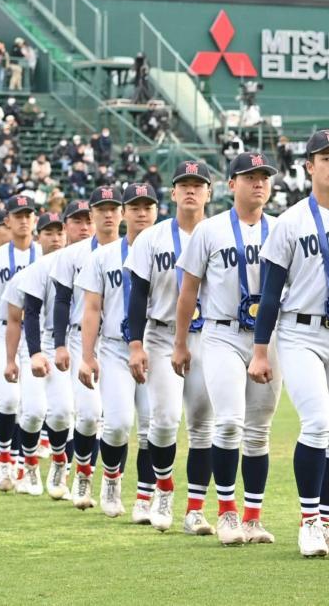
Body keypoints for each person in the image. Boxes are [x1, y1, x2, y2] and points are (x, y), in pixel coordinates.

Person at [249, 131, 329, 557]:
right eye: (326, 157)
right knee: (318, 422)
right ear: (309, 166)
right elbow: (269, 293)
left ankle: (325, 522)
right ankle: (307, 524)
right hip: (299, 331)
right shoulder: (290, 221)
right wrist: (261, 349)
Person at [173, 152, 281, 546]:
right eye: (249, 176)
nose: (258, 183)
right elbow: (188, 292)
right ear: (231, 184)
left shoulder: (281, 229)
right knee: (229, 422)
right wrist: (181, 343)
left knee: (259, 431)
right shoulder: (211, 229)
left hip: (268, 336)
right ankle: (227, 513)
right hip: (220, 333)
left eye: (264, 177)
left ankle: (253, 518)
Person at [125, 161, 216, 535]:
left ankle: (195, 509)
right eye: (184, 185)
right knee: (162, 423)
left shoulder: (220, 234)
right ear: (173, 194)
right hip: (162, 335)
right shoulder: (152, 237)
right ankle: (163, 488)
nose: (191, 190)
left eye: (198, 184)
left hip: (208, 335)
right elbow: (137, 297)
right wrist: (134, 344)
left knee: (203, 426)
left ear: (209, 192)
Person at [77, 184, 158, 518]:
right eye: (134, 207)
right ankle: (111, 481)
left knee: (155, 425)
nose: (141, 213)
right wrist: (87, 354)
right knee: (118, 423)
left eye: (147, 207)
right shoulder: (102, 256)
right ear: (124, 212)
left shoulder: (170, 249)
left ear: (156, 211)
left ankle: (145, 497)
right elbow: (92, 308)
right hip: (114, 347)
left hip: (156, 343)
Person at [51, 186, 127, 512]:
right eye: (102, 209)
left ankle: (113, 482)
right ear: (94, 214)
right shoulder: (73, 254)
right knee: (87, 415)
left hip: (121, 339)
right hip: (80, 337)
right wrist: (59, 345)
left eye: (113, 208)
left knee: (119, 420)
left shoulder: (136, 250)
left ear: (120, 213)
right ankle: (83, 474)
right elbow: (62, 301)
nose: (108, 214)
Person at [21, 199, 94, 500]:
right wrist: (35, 351)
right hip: (53, 342)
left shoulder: (104, 257)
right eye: (76, 222)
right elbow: (31, 311)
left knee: (92, 417)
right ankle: (58, 460)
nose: (84, 227)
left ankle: (84, 475)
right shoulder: (43, 266)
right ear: (67, 227)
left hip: (92, 341)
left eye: (87, 220)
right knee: (61, 412)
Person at [0, 195, 41, 491]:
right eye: (18, 215)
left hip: (37, 334)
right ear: (9, 222)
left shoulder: (44, 255)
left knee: (23, 403)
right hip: (0, 331)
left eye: (28, 214)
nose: (24, 220)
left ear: (35, 219)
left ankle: (10, 459)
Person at [2, 212, 65, 495]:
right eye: (48, 233)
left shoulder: (80, 266)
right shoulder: (27, 274)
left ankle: (61, 467)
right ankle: (28, 466)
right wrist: (10, 358)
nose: (55, 238)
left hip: (69, 345)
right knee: (33, 413)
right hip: (35, 346)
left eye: (59, 232)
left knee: (67, 413)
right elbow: (16, 319)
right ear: (39, 238)